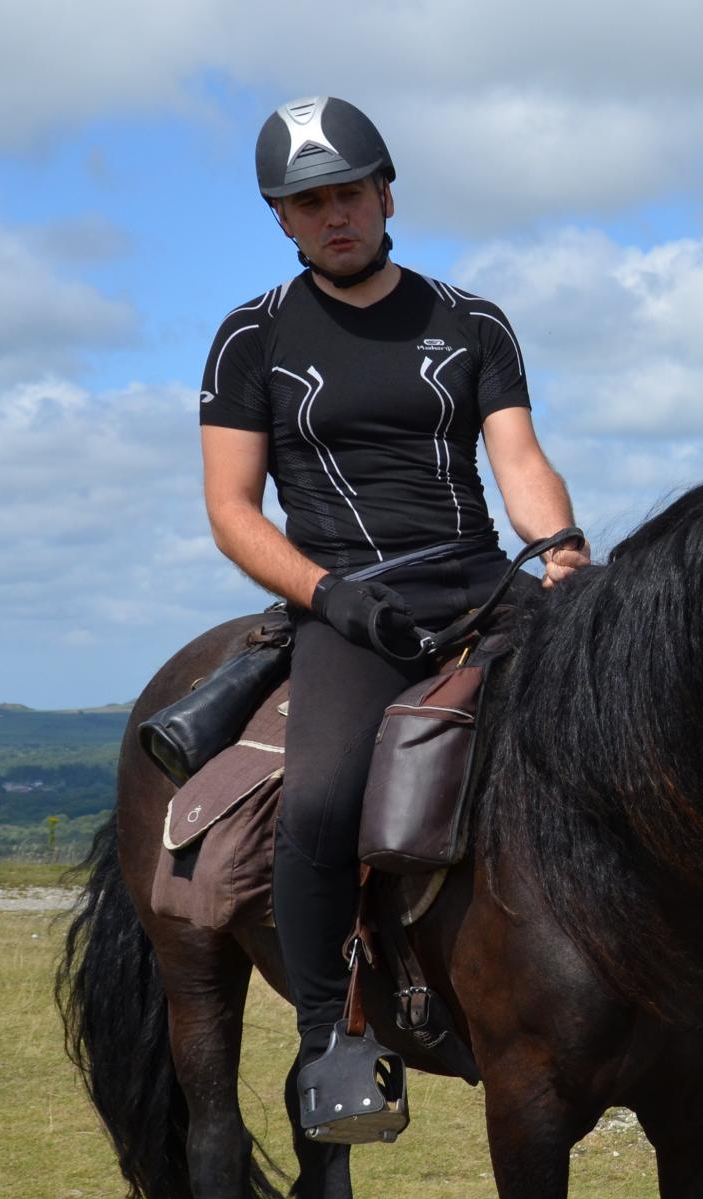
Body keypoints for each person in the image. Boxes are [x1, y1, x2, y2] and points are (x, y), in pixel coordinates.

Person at [197, 95, 588, 1118]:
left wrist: (562, 553)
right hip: (348, 603)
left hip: (477, 578)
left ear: (386, 193)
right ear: (283, 219)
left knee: (612, 732)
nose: (335, 216)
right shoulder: (251, 338)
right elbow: (232, 512)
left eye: (350, 193)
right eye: (309, 202)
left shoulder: (471, 320)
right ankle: (330, 1036)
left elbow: (518, 457)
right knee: (323, 799)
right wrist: (330, 596)